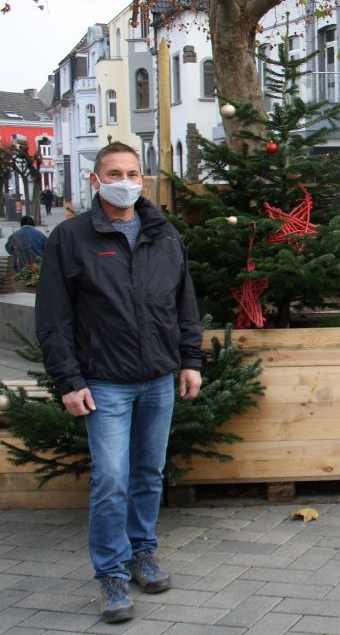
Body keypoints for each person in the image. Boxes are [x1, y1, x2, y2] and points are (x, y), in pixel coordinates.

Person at [35, 141, 204, 623]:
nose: (126, 180)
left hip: (158, 378)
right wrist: (68, 380)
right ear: (96, 180)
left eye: (133, 172)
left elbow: (183, 305)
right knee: (111, 478)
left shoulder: (165, 235)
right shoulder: (71, 238)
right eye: (114, 173)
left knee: (149, 474)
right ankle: (110, 573)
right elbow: (53, 318)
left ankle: (141, 554)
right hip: (104, 381)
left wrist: (189, 360)